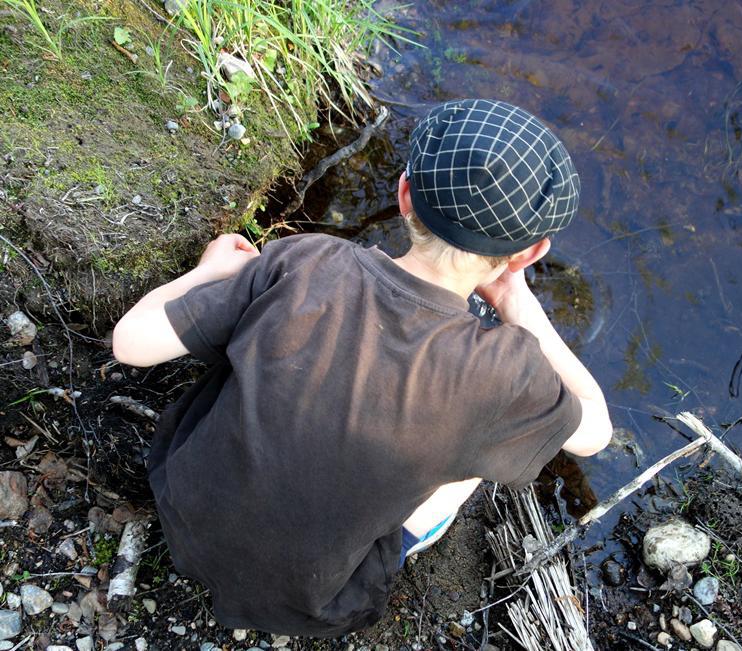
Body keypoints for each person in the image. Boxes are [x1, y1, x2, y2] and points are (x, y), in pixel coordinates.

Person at [111, 99, 612, 636]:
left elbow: (130, 343)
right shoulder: (505, 372)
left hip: (182, 511)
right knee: (471, 462)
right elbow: (595, 432)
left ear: (403, 195)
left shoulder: (305, 261)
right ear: (531, 253)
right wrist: (519, 305)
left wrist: (210, 271)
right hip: (313, 599)